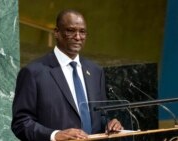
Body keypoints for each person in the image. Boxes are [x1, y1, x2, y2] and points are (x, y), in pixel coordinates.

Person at [11, 9, 123, 141]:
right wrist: (55, 135)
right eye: (70, 30)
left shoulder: (95, 71)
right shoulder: (33, 72)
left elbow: (101, 115)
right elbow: (21, 123)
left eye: (82, 32)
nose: (77, 37)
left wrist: (110, 125)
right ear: (57, 33)